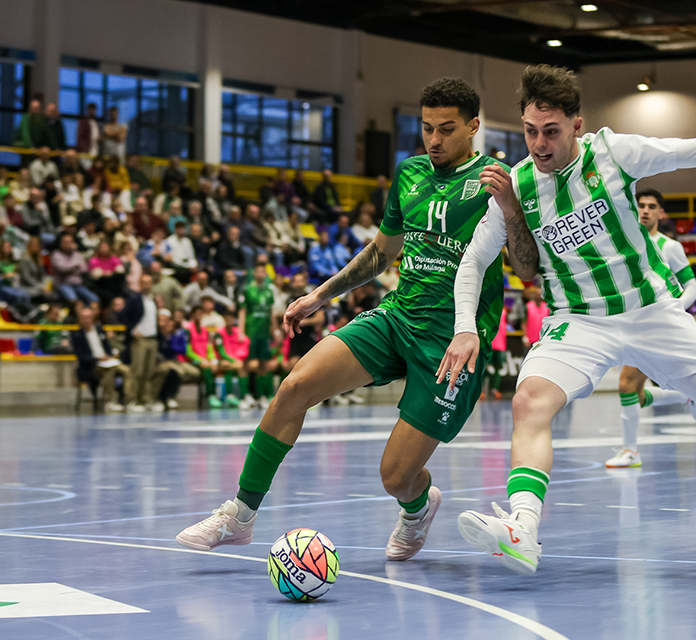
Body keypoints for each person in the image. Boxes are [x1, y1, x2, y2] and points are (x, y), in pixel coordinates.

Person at [439, 64, 696, 575]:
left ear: (577, 125)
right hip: (579, 319)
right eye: (530, 131)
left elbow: (692, 149)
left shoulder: (612, 153)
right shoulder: (515, 186)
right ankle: (523, 528)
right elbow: (474, 259)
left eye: (552, 132)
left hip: (650, 310)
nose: (539, 145)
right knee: (529, 400)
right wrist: (465, 327)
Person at [175, 78, 509, 563]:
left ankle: (417, 506)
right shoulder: (411, 173)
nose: (433, 140)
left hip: (452, 342)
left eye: (447, 129)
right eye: (426, 128)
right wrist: (319, 295)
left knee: (396, 477)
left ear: (474, 127)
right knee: (295, 386)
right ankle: (240, 515)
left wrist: (515, 209)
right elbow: (381, 253)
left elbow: (527, 255)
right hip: (398, 318)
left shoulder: (496, 181)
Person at [605, 188, 696, 469]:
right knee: (633, 393)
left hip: (659, 325)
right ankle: (684, 394)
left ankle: (631, 451)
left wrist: (675, 309)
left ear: (661, 213)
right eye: (641, 205)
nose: (645, 210)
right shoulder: (621, 243)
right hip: (633, 323)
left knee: (626, 384)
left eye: (651, 206)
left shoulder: (670, 247)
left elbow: (693, 286)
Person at [71, 306, 128, 412]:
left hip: (108, 361)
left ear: (93, 318)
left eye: (88, 317)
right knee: (109, 371)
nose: (86, 320)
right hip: (91, 367)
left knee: (127, 371)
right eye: (83, 317)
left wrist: (110, 356)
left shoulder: (100, 330)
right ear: (79, 319)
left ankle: (130, 400)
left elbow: (108, 347)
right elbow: (81, 356)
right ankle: (110, 401)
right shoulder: (77, 335)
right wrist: (98, 359)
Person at [121, 273, 162, 413]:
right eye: (144, 282)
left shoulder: (154, 300)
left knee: (149, 372)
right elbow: (123, 316)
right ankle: (132, 400)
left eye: (149, 282)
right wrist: (132, 331)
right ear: (139, 284)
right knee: (137, 371)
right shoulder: (134, 300)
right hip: (140, 339)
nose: (147, 285)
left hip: (152, 338)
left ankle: (146, 399)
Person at [238, 264, 277, 409]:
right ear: (254, 273)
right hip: (250, 331)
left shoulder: (269, 291)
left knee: (264, 363)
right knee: (246, 363)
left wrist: (275, 330)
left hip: (264, 332)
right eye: (258, 271)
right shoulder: (247, 289)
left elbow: (271, 312)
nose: (261, 273)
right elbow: (242, 311)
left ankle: (262, 396)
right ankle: (245, 396)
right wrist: (241, 331)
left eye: (263, 271)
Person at [156, 308, 199, 410]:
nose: (163, 323)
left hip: (175, 360)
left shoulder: (175, 334)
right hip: (163, 361)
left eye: (165, 320)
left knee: (195, 372)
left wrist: (171, 336)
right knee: (175, 372)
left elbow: (181, 349)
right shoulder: (156, 335)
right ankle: (167, 398)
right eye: (160, 320)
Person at [52, 234, 98, 305]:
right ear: (61, 243)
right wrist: (75, 265)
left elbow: (84, 269)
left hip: (78, 285)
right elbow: (62, 269)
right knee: (74, 301)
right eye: (65, 242)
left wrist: (72, 266)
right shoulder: (56, 254)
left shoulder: (77, 254)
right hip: (63, 284)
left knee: (95, 300)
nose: (68, 244)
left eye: (70, 242)